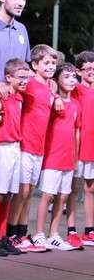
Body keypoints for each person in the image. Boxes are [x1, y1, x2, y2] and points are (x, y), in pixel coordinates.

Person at [6, 44, 58, 252]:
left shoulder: (49, 87)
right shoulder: (28, 85)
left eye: (54, 63)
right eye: (46, 63)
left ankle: (22, 231)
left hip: (39, 147)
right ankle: (11, 233)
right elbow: (10, 90)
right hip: (25, 144)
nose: (51, 66)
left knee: (29, 192)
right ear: (35, 65)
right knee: (22, 190)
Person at [0, 59, 30, 256]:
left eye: (26, 77)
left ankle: (2, 236)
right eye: (20, 77)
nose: (24, 81)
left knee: (10, 192)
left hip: (15, 147)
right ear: (8, 77)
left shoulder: (20, 97)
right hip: (0, 146)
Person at [32, 63, 81, 250]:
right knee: (48, 196)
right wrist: (54, 96)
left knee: (62, 197)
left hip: (68, 159)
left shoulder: (76, 104)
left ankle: (54, 234)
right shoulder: (52, 101)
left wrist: (75, 158)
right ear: (57, 80)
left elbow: (76, 131)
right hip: (52, 156)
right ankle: (38, 234)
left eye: (73, 77)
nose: (71, 80)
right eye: (66, 76)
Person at [69, 51, 94, 246]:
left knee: (91, 188)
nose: (92, 71)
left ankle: (89, 229)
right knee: (72, 188)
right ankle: (70, 229)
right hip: (77, 144)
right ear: (79, 71)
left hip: (92, 145)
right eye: (88, 69)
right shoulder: (75, 89)